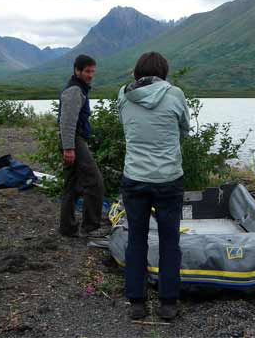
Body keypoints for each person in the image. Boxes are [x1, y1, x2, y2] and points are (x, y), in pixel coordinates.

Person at [117, 52, 190, 320]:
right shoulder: (175, 94)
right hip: (168, 178)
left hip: (134, 177)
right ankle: (168, 303)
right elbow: (184, 129)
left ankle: (137, 302)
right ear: (164, 71)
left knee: (136, 238)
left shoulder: (123, 95)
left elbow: (125, 126)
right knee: (170, 239)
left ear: (137, 71)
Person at [57, 54, 105, 237]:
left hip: (73, 140)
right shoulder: (74, 91)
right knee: (95, 182)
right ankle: (90, 227)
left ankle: (67, 228)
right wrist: (69, 148)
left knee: (72, 184)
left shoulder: (79, 89)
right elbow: (67, 122)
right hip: (73, 139)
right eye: (87, 71)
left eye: (93, 71)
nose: (91, 74)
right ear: (77, 71)